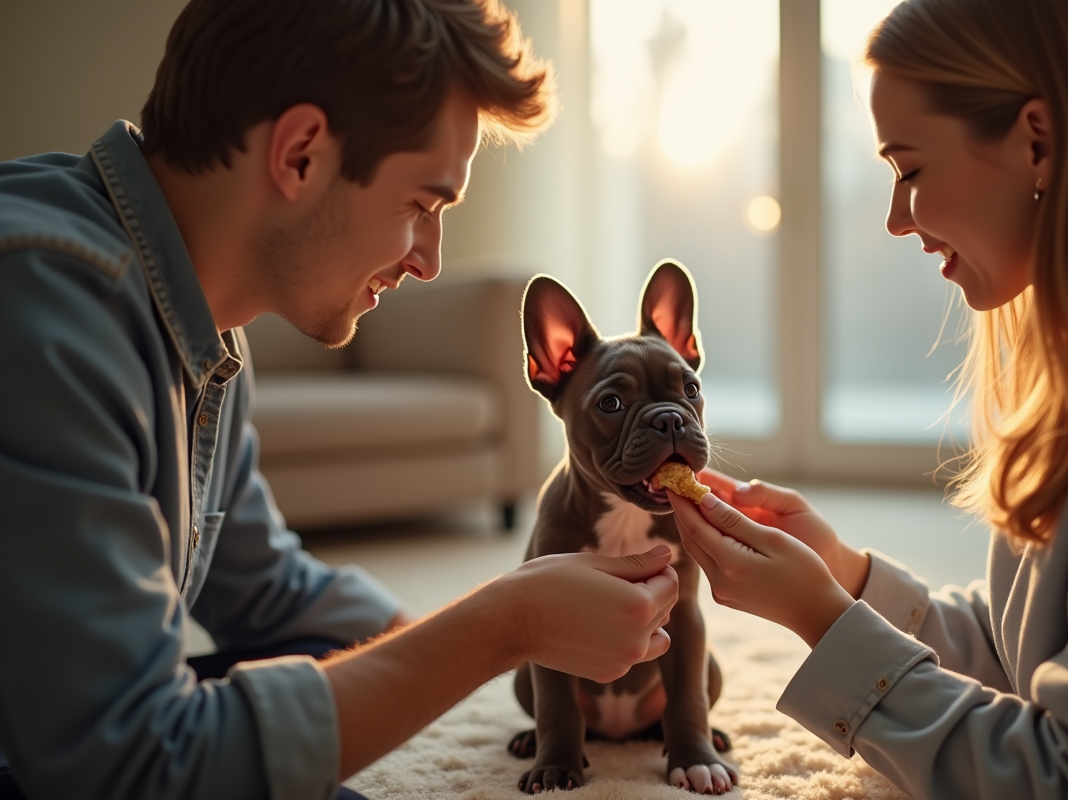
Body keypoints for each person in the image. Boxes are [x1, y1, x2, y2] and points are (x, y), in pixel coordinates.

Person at [0, 1, 679, 799]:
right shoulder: (50, 306)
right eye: (422, 207)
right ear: (299, 155)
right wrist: (506, 628)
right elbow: (135, 766)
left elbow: (259, 588)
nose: (429, 262)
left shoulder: (207, 326)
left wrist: (467, 618)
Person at [667, 0, 1068, 797]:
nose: (892, 218)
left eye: (909, 170)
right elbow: (1041, 652)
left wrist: (825, 622)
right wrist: (844, 577)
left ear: (1038, 141)